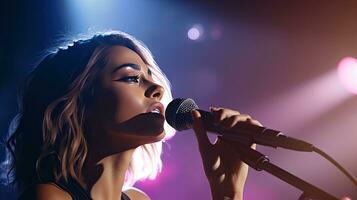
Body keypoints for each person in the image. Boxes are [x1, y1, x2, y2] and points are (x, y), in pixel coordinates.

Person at [2, 31, 261, 200]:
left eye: (151, 76)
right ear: (79, 102)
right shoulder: (49, 197)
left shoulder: (138, 199)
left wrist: (227, 192)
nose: (158, 89)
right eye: (131, 77)